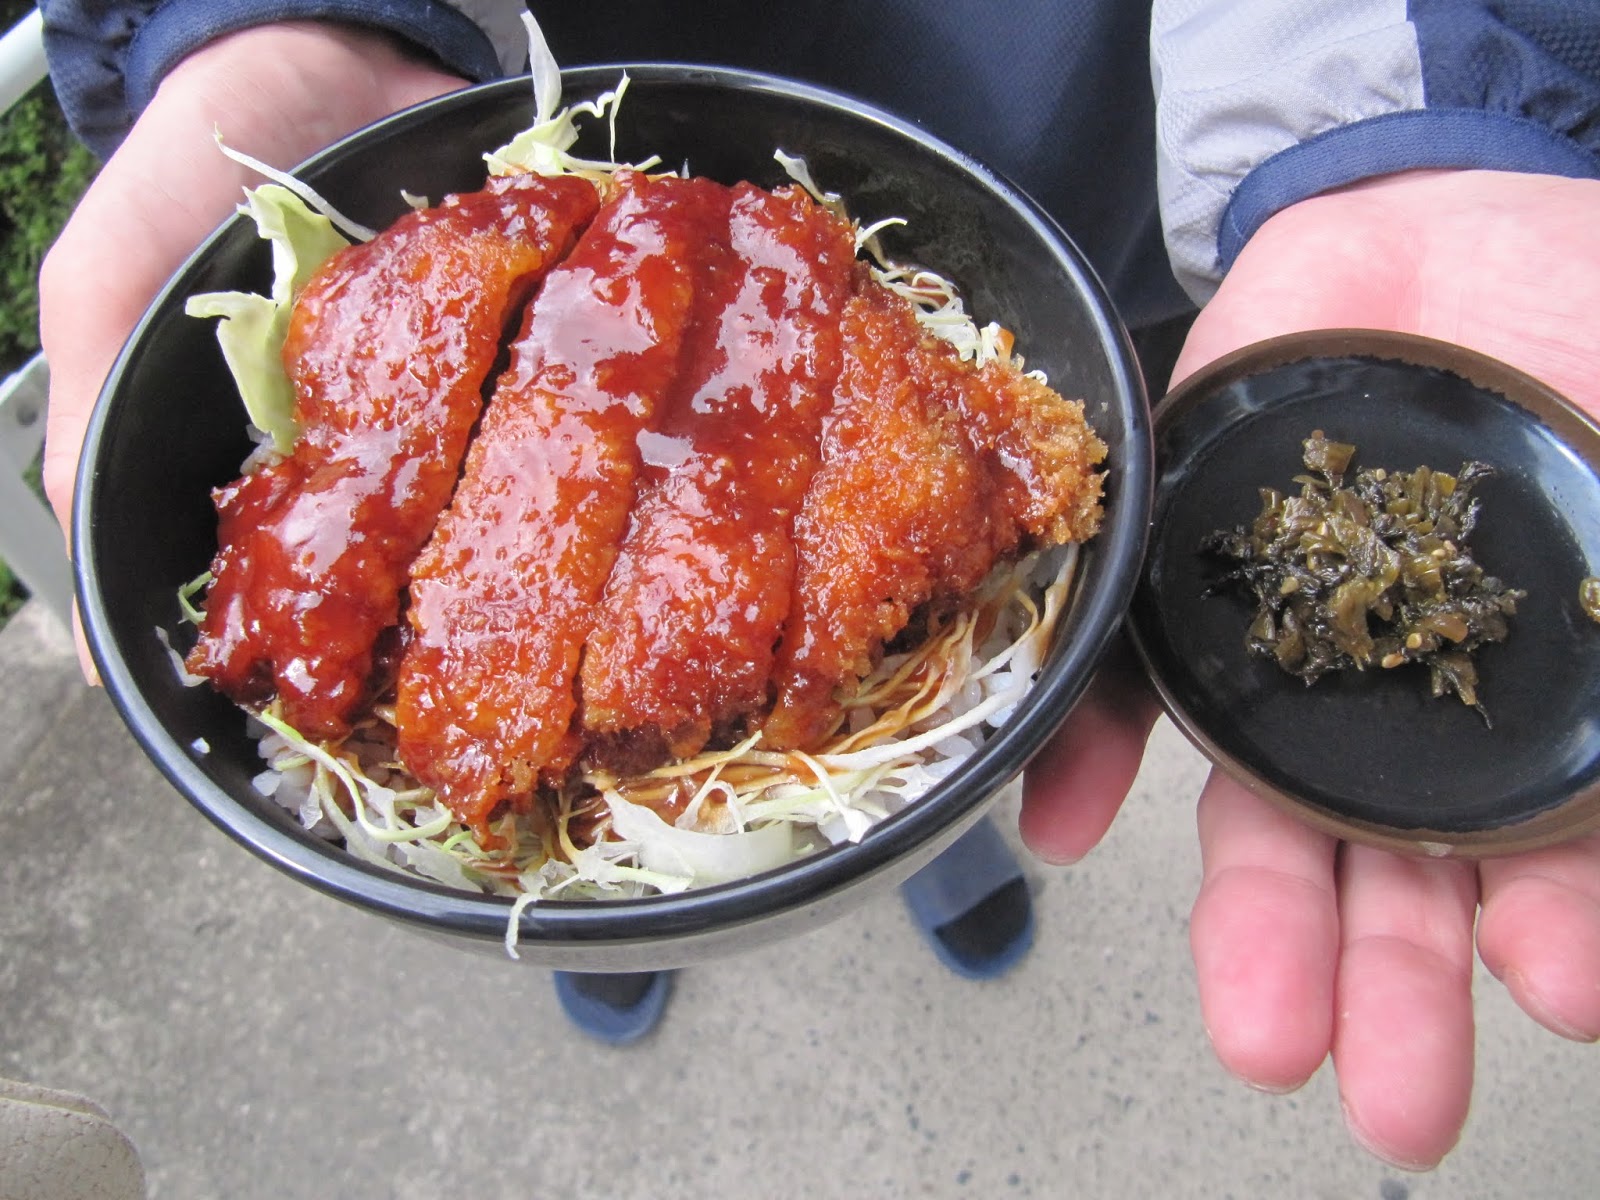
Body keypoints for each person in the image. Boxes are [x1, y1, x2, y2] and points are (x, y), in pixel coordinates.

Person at [31, 0, 1600, 1174]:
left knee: (927, 710)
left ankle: (934, 852)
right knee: (584, 786)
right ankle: (632, 929)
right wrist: (263, 15)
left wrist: (1401, 111)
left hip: (1065, 117)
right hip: (553, 42)